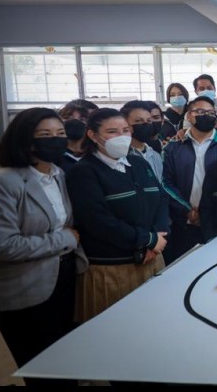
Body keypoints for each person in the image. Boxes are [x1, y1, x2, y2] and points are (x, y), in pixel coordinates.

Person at [0, 108, 86, 385]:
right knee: (44, 370)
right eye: (45, 134)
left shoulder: (58, 174)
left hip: (64, 279)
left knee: (68, 361)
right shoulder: (1, 183)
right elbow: (4, 246)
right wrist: (66, 239)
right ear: (24, 139)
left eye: (60, 133)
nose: (56, 140)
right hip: (24, 288)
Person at [66, 108, 168, 322]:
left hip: (151, 258)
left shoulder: (138, 163)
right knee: (117, 327)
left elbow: (160, 198)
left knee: (156, 322)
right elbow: (98, 221)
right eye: (112, 132)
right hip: (112, 269)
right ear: (93, 135)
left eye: (125, 130)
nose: (121, 137)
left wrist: (157, 236)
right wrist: (147, 239)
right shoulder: (83, 171)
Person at [162, 96, 217, 264]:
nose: (205, 115)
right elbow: (165, 182)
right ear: (188, 115)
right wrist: (187, 210)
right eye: (200, 111)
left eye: (210, 112)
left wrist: (207, 213)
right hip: (184, 221)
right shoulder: (173, 147)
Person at [121, 100, 163, 179]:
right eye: (138, 121)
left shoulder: (155, 156)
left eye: (148, 120)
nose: (146, 124)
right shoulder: (120, 156)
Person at [58, 99, 99, 172]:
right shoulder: (54, 158)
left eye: (82, 119)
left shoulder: (101, 156)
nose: (75, 122)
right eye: (68, 118)